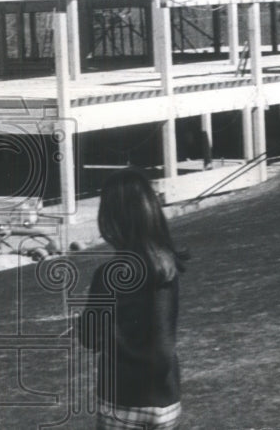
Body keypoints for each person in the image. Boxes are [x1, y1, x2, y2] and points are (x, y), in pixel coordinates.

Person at [78, 169, 188, 430]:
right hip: (167, 398)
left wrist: (81, 323)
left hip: (124, 399)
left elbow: (90, 339)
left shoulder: (108, 276)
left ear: (111, 218)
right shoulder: (168, 268)